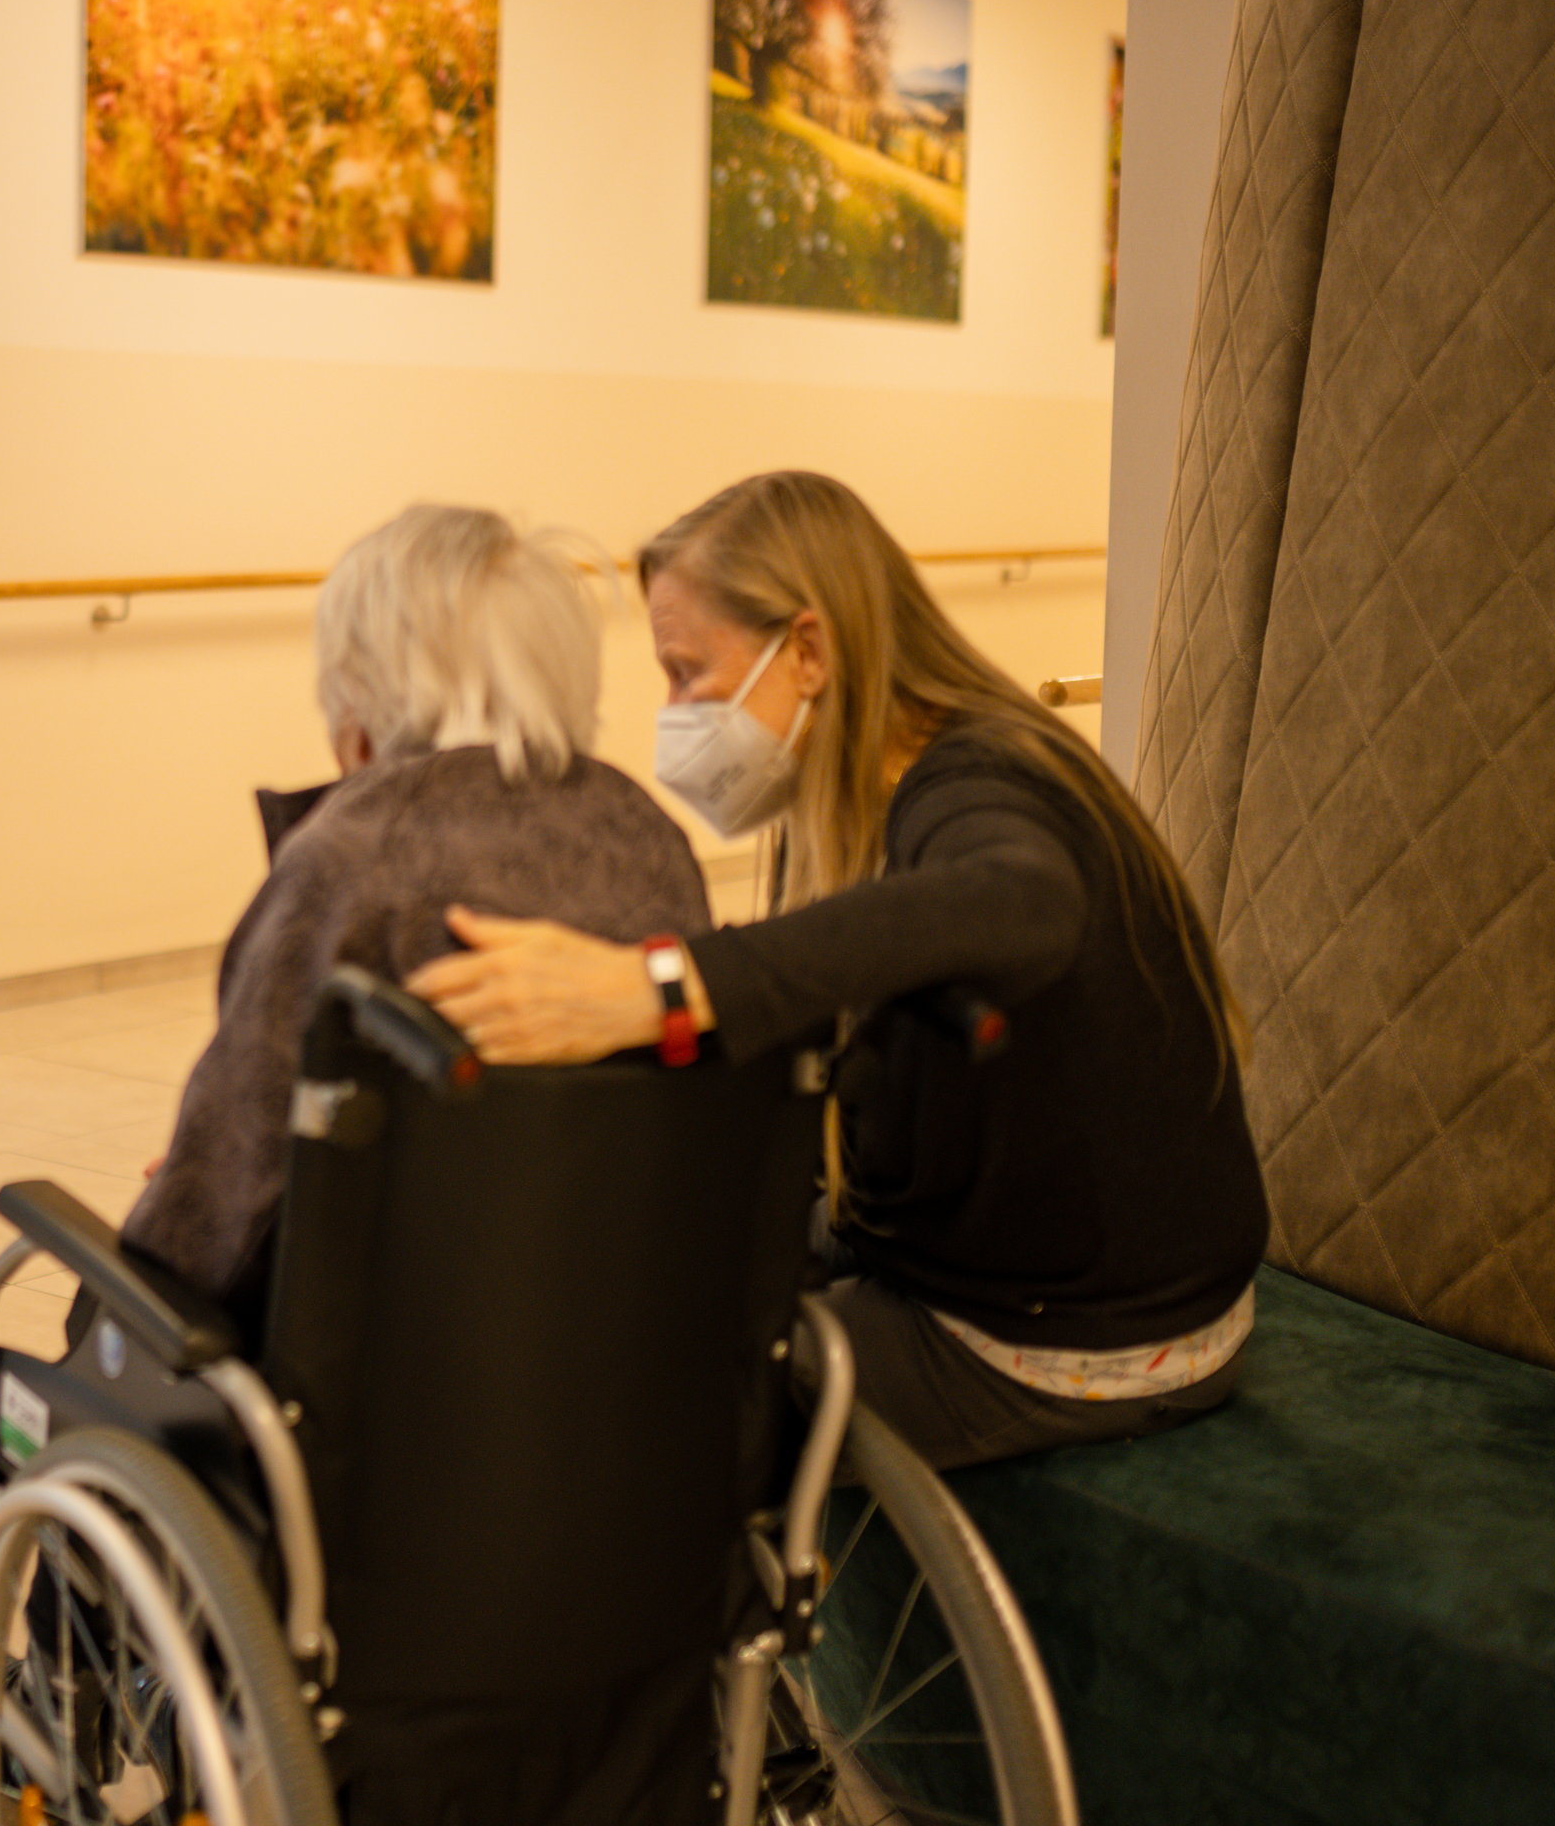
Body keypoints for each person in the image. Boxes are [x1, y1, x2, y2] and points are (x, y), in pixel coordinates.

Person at [412, 471, 1270, 1471]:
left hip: (1077, 1340)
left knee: (605, 1372)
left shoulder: (980, 788)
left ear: (809, 651)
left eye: (689, 670)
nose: (675, 710)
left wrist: (654, 987)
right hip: (1070, 1279)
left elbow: (1022, 901)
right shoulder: (921, 785)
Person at [118, 505, 713, 1327]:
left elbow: (212, 1230)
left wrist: (189, 1199)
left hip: (384, 1377)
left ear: (355, 722)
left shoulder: (350, 860)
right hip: (624, 1336)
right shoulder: (649, 838)